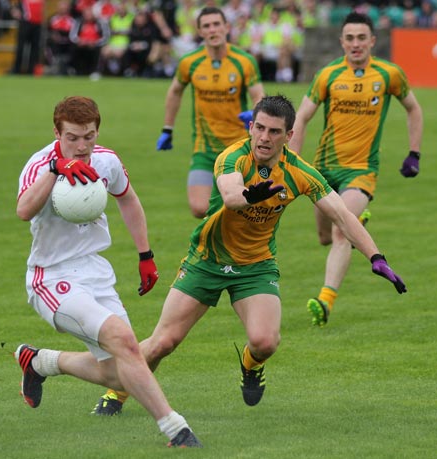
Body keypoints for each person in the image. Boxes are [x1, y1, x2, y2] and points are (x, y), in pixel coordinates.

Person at [103, 94, 408, 413]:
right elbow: (231, 195)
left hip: (256, 267)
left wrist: (377, 258)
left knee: (266, 342)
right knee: (164, 342)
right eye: (259, 128)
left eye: (274, 131)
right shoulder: (232, 157)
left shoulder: (299, 172)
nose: (264, 137)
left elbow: (344, 215)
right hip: (207, 261)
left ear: (289, 136)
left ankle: (250, 365)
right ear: (250, 126)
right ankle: (117, 394)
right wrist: (250, 196)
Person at [14, 96, 202, 448]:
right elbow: (23, 210)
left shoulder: (106, 161)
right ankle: (177, 429)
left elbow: (127, 199)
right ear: (57, 133)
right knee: (126, 343)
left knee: (119, 370)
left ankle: (40, 362)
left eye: (89, 136)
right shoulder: (40, 164)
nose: (82, 146)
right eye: (72, 138)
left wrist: (145, 254)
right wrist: (56, 170)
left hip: (96, 272)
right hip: (51, 277)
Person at [288, 12, 422, 327]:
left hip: (361, 171)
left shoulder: (389, 74)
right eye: (350, 38)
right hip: (323, 171)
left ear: (372, 40)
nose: (356, 44)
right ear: (342, 42)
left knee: (340, 230)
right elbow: (302, 117)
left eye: (362, 37)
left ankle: (325, 300)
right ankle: (356, 220)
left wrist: (414, 153)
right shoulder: (328, 75)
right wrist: (292, 161)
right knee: (324, 236)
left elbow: (414, 108)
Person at [155, 6, 265, 219]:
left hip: (237, 149)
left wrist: (255, 113)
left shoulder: (244, 61)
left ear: (227, 27)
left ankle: (227, 245)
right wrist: (167, 129)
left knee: (238, 204)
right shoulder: (190, 62)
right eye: (206, 26)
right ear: (199, 31)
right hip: (204, 149)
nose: (212, 30)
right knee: (199, 208)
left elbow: (259, 95)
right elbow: (175, 92)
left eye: (217, 24)